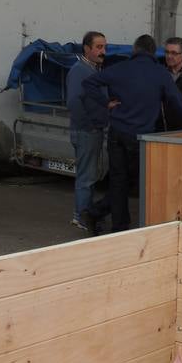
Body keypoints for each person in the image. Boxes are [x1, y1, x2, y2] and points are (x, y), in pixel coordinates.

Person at [82, 34, 182, 233]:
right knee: (135, 182)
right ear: (154, 52)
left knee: (119, 181)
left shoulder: (119, 69)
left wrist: (106, 103)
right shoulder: (160, 74)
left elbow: (89, 84)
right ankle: (107, 218)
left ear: (135, 50)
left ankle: (113, 223)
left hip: (117, 134)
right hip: (140, 139)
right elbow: (179, 102)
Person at [66, 31, 108, 231]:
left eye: (104, 47)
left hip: (92, 130)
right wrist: (89, 125)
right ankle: (81, 216)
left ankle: (86, 213)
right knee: (86, 177)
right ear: (87, 48)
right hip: (86, 132)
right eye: (99, 47)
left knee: (90, 176)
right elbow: (74, 102)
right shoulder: (79, 70)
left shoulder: (94, 69)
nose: (103, 51)